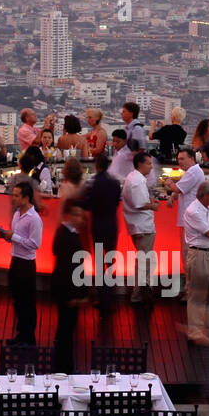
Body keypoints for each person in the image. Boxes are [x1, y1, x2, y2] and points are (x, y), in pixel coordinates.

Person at [0, 180, 42, 344]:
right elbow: (18, 239)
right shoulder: (17, 214)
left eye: (16, 195)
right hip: (15, 260)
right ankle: (21, 335)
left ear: (26, 198)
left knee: (27, 301)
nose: (13, 198)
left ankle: (29, 337)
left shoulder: (34, 219)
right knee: (18, 300)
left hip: (26, 265)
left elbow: (35, 244)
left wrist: (13, 236)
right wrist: (7, 236)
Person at [184, 180, 209, 344]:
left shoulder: (207, 207)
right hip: (200, 255)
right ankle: (195, 332)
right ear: (205, 195)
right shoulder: (194, 211)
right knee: (198, 295)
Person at [52, 202, 89, 372]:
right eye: (77, 215)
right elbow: (69, 268)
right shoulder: (67, 235)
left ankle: (63, 366)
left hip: (65, 288)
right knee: (66, 329)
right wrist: (75, 294)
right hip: (67, 289)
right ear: (69, 216)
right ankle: (63, 368)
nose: (80, 219)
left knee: (66, 329)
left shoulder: (65, 233)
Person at [122, 150, 159, 304]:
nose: (151, 167)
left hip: (138, 226)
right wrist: (153, 205)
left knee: (143, 260)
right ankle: (140, 295)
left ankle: (139, 293)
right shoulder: (137, 181)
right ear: (140, 164)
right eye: (149, 163)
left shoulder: (134, 178)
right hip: (142, 226)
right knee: (145, 261)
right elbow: (139, 204)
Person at [84, 152, 122, 288]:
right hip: (112, 224)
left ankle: (101, 293)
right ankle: (111, 290)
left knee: (99, 261)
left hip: (98, 225)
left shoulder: (93, 183)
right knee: (110, 258)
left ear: (96, 166)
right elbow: (117, 202)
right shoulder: (115, 183)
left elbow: (88, 204)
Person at [164, 146, 204, 231]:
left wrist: (169, 182)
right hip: (189, 214)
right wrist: (172, 197)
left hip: (191, 215)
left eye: (182, 159)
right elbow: (181, 189)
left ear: (192, 159)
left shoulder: (193, 171)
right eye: (179, 159)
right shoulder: (190, 171)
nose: (179, 162)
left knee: (186, 242)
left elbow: (178, 189)